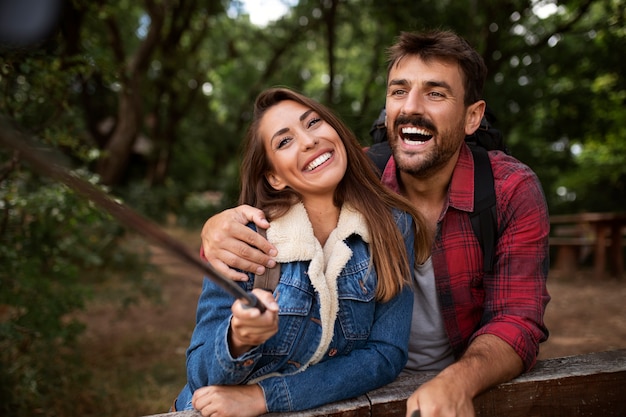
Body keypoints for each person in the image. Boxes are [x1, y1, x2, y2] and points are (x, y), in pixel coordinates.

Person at [198, 30, 551, 417]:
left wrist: (458, 380)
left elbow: (517, 321)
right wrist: (215, 229)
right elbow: (271, 216)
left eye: (435, 93)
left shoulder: (509, 190)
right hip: (349, 390)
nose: (411, 108)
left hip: (455, 385)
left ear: (472, 117)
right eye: (399, 91)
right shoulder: (351, 173)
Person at [174, 87, 430, 416]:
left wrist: (266, 397)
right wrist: (238, 338)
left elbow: (385, 354)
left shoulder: (394, 226)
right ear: (274, 177)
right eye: (284, 141)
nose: (308, 141)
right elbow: (201, 377)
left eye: (313, 123)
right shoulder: (245, 240)